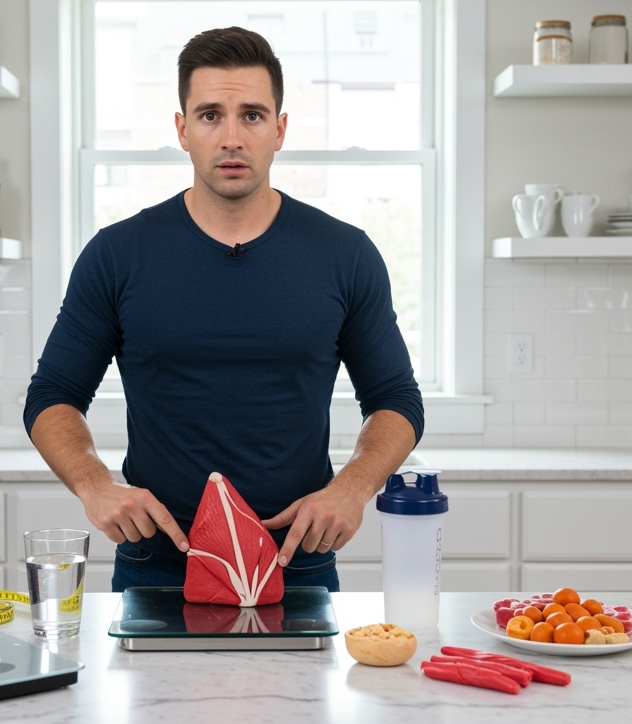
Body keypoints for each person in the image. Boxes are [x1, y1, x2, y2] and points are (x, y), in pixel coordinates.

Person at [22, 26, 423, 592]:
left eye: (253, 115)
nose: (232, 137)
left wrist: (351, 490)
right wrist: (95, 485)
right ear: (182, 129)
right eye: (210, 114)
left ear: (279, 129)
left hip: (297, 561)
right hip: (156, 566)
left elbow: (396, 399)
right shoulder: (117, 255)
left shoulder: (345, 253)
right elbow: (53, 395)